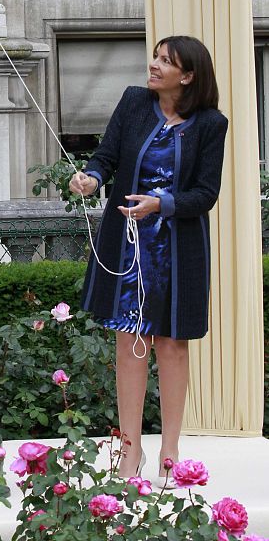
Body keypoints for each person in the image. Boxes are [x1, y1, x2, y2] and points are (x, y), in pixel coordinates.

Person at [69, 36, 227, 483]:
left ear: (188, 76)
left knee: (172, 345)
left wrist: (162, 204)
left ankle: (171, 449)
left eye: (165, 61)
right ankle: (130, 450)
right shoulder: (135, 102)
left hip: (178, 248)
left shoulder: (211, 124)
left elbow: (205, 194)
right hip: (128, 242)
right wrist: (93, 178)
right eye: (155, 57)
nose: (153, 66)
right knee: (129, 342)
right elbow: (107, 156)